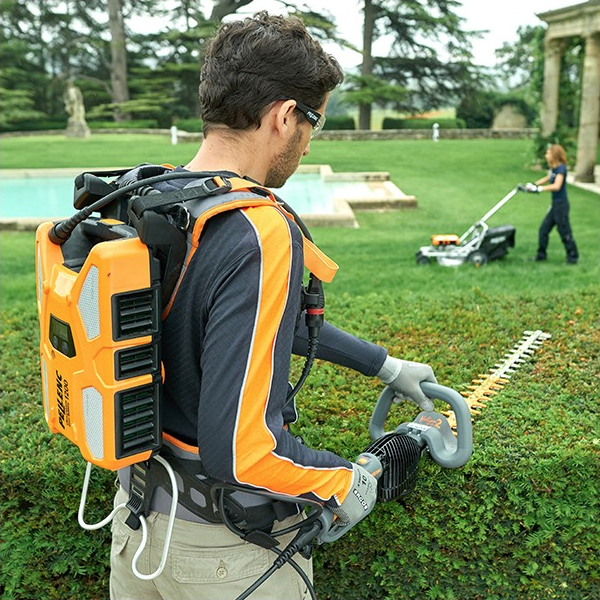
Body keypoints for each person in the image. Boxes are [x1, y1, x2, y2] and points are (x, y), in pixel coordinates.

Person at [109, 12, 437, 600]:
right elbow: (242, 451)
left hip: (136, 527)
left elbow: (243, 323)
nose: (309, 144)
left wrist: (383, 366)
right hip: (226, 555)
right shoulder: (257, 232)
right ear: (286, 116)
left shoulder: (156, 200)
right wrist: (343, 482)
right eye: (314, 123)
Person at [524, 143, 579, 264]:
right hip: (555, 205)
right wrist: (533, 185)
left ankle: (573, 258)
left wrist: (539, 189)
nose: (546, 155)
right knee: (543, 230)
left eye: (548, 153)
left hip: (561, 206)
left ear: (554, 154)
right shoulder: (554, 169)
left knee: (564, 231)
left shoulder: (561, 169)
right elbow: (547, 178)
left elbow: (557, 186)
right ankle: (541, 255)